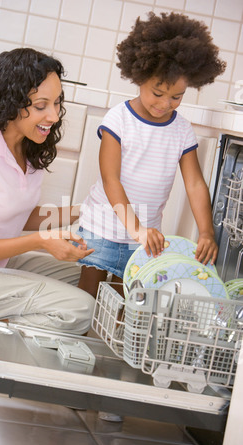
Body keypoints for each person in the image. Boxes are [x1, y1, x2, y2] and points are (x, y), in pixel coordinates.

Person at [0, 48, 96, 390]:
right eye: (40, 105)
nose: (53, 115)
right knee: (79, 309)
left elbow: (20, 215)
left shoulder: (28, 152)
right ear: (8, 103)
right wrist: (42, 241)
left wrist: (84, 211)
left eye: (57, 103)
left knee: (84, 279)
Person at [76, 12, 226, 298]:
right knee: (86, 301)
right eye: (157, 92)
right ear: (140, 77)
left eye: (176, 97)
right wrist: (137, 229)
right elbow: (110, 180)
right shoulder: (118, 119)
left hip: (146, 237)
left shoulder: (182, 129)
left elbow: (194, 183)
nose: (164, 104)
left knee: (127, 306)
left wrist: (206, 232)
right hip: (102, 227)